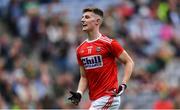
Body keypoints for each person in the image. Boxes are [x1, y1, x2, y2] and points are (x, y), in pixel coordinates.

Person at [68, 7, 134, 109]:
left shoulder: (109, 43)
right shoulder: (80, 49)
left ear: (97, 21)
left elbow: (129, 62)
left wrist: (124, 84)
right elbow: (84, 76)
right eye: (82, 17)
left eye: (87, 17)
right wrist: (79, 93)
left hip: (109, 96)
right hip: (95, 98)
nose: (82, 20)